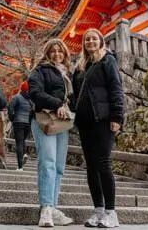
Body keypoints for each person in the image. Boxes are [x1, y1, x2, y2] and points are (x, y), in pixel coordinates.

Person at [72, 28, 124, 228]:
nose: (90, 41)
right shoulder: (81, 66)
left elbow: (116, 88)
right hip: (85, 122)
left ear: (101, 41)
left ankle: (111, 212)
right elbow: (75, 95)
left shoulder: (107, 60)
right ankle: (98, 210)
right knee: (91, 167)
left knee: (103, 163)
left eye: (94, 38)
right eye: (87, 39)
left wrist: (117, 116)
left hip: (103, 119)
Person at [28, 38, 74, 227]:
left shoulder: (68, 74)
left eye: (60, 51)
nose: (57, 54)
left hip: (62, 122)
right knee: (48, 162)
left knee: (59, 166)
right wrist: (57, 105)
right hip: (44, 119)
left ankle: (54, 207)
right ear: (47, 53)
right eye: (53, 51)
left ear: (65, 54)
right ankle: (46, 208)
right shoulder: (40, 71)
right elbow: (35, 93)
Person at [9, 80, 33, 171]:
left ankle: (20, 167)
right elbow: (32, 112)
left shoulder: (17, 98)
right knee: (22, 140)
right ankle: (24, 154)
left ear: (21, 89)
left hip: (18, 122)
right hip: (27, 124)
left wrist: (12, 118)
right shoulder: (31, 100)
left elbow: (10, 108)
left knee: (19, 142)